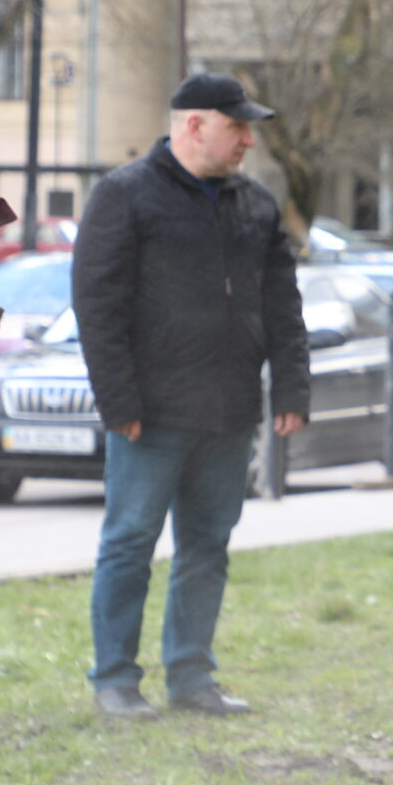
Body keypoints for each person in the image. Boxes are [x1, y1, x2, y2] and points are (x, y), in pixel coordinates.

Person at [73, 76, 309, 719]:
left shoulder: (256, 205)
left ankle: (192, 677)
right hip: (149, 416)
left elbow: (283, 306)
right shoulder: (124, 196)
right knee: (129, 543)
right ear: (194, 126)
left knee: (208, 546)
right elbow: (98, 306)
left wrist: (290, 386)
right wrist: (117, 402)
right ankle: (115, 679)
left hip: (229, 410)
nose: (249, 140)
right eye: (238, 127)